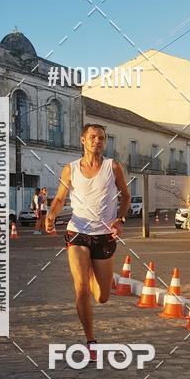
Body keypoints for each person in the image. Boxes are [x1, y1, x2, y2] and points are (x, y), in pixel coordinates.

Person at [45, 124, 130, 358]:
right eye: (92, 137)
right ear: (83, 140)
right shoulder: (70, 170)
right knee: (81, 288)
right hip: (77, 232)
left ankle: (93, 269)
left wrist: (120, 219)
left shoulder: (113, 167)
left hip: (104, 235)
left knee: (102, 297)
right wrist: (51, 214)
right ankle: (91, 341)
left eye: (101, 138)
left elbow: (126, 195)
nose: (97, 141)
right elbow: (60, 198)